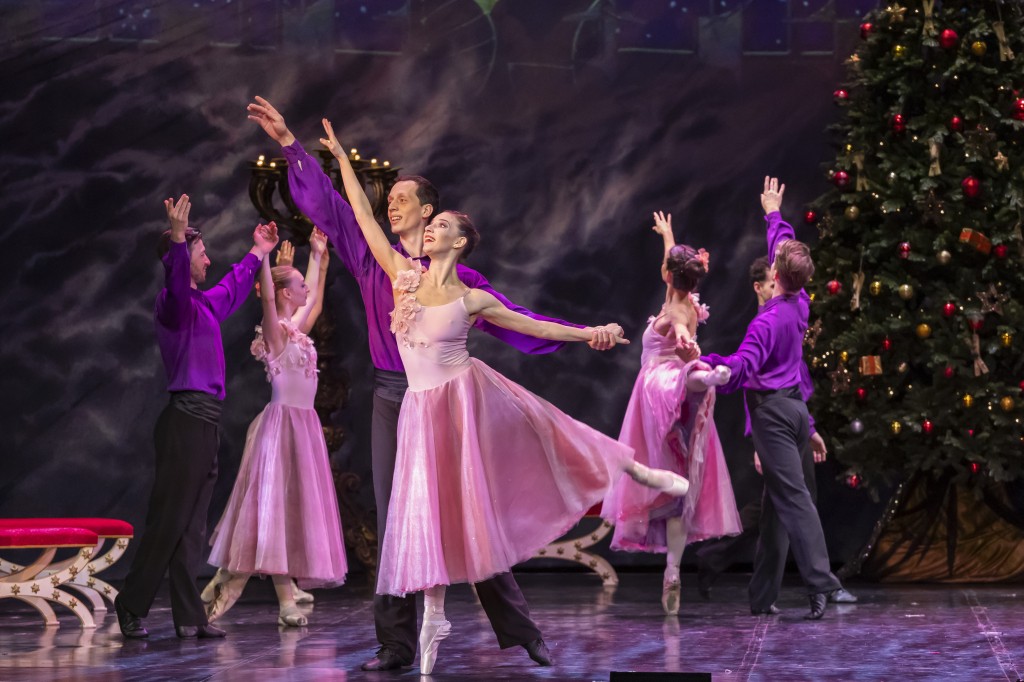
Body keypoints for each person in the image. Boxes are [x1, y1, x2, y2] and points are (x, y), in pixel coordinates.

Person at [246, 96, 629, 671]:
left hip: (444, 400)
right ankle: (396, 644)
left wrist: (586, 334)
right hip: (391, 396)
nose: (391, 204)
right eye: (390, 199)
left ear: (429, 214)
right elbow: (336, 206)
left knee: (468, 512)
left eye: (402, 199)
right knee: (395, 517)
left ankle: (521, 630)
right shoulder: (373, 258)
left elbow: (520, 320)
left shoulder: (459, 280)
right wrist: (289, 144)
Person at [319, 116, 689, 674]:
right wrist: (343, 163)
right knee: (422, 515)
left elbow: (533, 325)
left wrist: (590, 332)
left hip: (462, 401)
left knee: (545, 442)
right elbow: (361, 218)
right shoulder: (402, 277)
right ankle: (425, 632)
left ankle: (634, 469)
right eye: (431, 223)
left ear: (458, 242)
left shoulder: (473, 298)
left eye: (440, 225)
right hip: (417, 410)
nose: (430, 230)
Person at [114, 194, 278, 640]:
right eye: (201, 254)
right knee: (169, 522)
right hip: (184, 421)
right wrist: (178, 238)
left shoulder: (204, 305)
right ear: (184, 258)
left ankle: (190, 617)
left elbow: (233, 287)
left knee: (191, 527)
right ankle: (131, 603)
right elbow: (174, 279)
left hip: (205, 422)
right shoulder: (174, 305)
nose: (208, 260)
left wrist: (259, 251)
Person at [700, 177, 856, 620]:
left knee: (792, 500)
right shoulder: (800, 302)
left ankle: (816, 585)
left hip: (776, 415)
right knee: (780, 505)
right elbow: (782, 247)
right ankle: (772, 593)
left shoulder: (766, 323)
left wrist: (711, 365)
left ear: (774, 276)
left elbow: (742, 367)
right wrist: (773, 214)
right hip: (792, 411)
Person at [200, 228, 349, 627]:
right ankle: (282, 600)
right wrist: (264, 257)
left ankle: (253, 585)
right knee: (274, 511)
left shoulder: (297, 330)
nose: (304, 289)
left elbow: (315, 301)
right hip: (282, 427)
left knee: (291, 510)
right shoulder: (276, 334)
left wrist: (317, 256)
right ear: (284, 293)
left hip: (304, 426)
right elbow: (268, 298)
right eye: (298, 284)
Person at [601, 211, 742, 616]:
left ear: (668, 276)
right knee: (678, 491)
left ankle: (705, 374)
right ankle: (673, 571)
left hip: (657, 385)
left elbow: (680, 326)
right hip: (670, 388)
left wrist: (686, 343)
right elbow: (673, 268)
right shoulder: (681, 297)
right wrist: (668, 235)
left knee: (684, 377)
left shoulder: (678, 311)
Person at [694, 256, 831, 600]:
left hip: (790, 417)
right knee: (791, 501)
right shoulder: (768, 322)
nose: (776, 286)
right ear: (760, 287)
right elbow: (752, 386)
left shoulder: (787, 311)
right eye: (770, 282)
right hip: (774, 423)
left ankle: (758, 590)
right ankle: (820, 584)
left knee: (778, 506)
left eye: (777, 279)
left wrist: (809, 428)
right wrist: (760, 443)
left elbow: (794, 378)